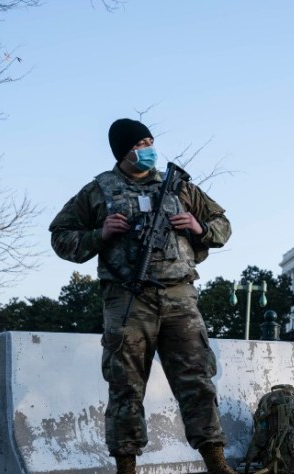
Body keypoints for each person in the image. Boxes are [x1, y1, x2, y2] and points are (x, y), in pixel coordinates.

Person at [49, 118, 236, 474]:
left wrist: (199, 228)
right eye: (139, 144)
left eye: (150, 141)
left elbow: (223, 226)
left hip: (179, 296)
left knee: (197, 381)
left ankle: (216, 461)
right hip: (127, 298)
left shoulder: (179, 187)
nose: (148, 148)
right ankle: (126, 466)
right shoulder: (99, 190)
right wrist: (98, 234)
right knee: (125, 386)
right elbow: (60, 237)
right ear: (124, 152)